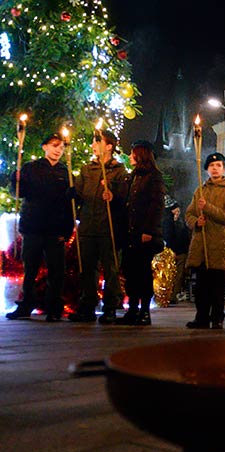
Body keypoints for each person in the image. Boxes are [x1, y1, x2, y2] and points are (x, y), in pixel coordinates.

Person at [6, 133, 74, 322]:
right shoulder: (31, 168)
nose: (58, 150)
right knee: (30, 270)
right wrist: (16, 181)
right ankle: (26, 304)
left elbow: (69, 206)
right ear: (45, 147)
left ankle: (54, 308)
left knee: (56, 271)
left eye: (61, 147)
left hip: (55, 230)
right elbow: (18, 194)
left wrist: (66, 231)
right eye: (54, 146)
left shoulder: (65, 172)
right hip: (33, 227)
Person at [68, 130, 129, 324]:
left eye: (98, 141)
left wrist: (113, 195)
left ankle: (110, 306)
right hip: (88, 226)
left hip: (107, 227)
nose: (93, 145)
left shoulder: (118, 170)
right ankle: (87, 305)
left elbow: (123, 196)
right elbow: (78, 195)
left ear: (109, 146)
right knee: (87, 268)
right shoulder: (87, 169)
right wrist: (72, 192)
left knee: (110, 268)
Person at [116, 140, 166, 326]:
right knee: (130, 272)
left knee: (143, 273)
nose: (130, 157)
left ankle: (145, 310)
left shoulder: (154, 178)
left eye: (132, 153)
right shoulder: (132, 178)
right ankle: (133, 310)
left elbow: (156, 206)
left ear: (141, 154)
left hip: (144, 234)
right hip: (130, 234)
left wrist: (148, 230)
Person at [185, 153, 225, 330]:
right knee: (201, 286)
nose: (215, 168)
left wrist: (207, 208)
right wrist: (196, 222)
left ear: (223, 168)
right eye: (212, 165)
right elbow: (189, 214)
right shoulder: (200, 190)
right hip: (202, 245)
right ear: (207, 169)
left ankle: (217, 318)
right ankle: (201, 317)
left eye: (219, 165)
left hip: (218, 244)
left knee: (217, 286)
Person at [162, 195, 191, 304]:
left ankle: (173, 295)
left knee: (178, 276)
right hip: (172, 252)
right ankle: (168, 295)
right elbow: (168, 235)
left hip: (181, 252)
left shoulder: (181, 221)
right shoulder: (168, 222)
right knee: (171, 275)